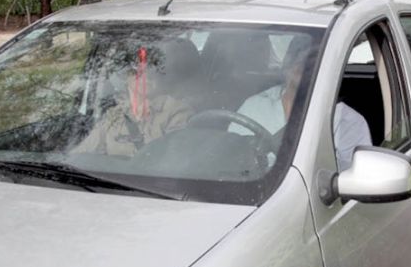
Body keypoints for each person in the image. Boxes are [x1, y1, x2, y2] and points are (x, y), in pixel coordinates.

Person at [230, 36, 371, 170]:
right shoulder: (254, 106)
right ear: (286, 66)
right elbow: (230, 156)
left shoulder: (346, 121)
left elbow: (353, 180)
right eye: (298, 59)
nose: (302, 67)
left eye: (311, 62)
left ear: (327, 69)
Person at [73, 42, 195, 157]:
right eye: (139, 71)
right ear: (125, 76)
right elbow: (79, 157)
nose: (147, 76)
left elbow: (174, 162)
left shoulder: (177, 112)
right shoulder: (113, 117)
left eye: (153, 70)